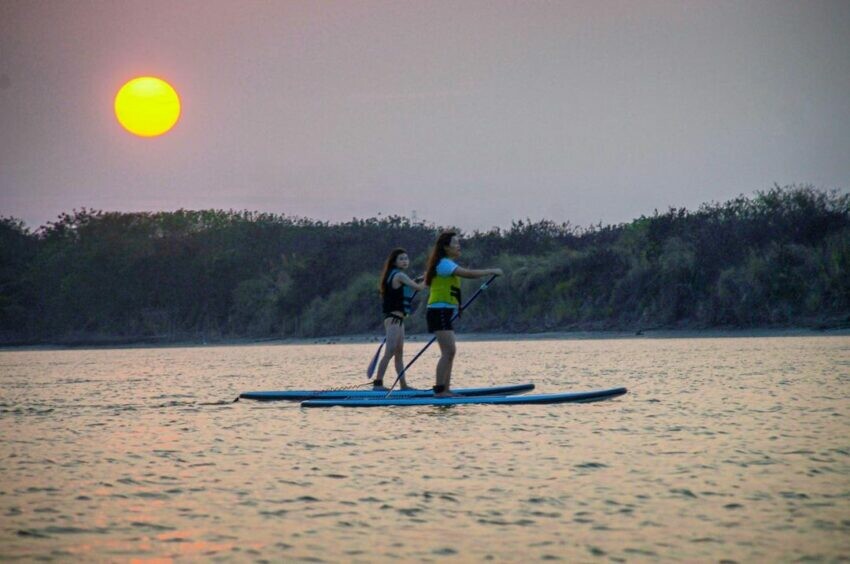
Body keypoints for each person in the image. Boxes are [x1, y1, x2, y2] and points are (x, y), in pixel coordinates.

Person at [425, 231, 503, 397]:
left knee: (450, 352)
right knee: (448, 351)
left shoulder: (445, 263)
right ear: (446, 247)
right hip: (438, 311)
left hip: (444, 312)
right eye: (455, 243)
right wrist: (490, 271)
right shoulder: (444, 263)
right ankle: (439, 391)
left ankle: (446, 389)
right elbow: (468, 274)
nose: (459, 246)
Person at [374, 248, 426, 390]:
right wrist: (427, 279)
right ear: (395, 262)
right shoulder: (399, 275)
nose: (405, 261)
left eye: (406, 258)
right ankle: (378, 384)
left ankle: (403, 385)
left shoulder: (398, 275)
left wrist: (420, 279)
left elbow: (409, 285)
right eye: (401, 259)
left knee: (399, 354)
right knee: (389, 352)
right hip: (393, 319)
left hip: (399, 320)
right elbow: (418, 288)